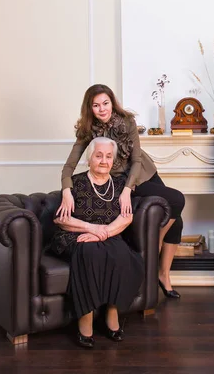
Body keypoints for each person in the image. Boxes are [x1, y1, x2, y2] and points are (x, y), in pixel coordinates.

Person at [57, 84, 184, 299]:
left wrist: (128, 190)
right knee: (177, 201)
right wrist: (67, 191)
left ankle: (163, 274)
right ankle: (151, 257)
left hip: (142, 172)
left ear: (112, 103)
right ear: (90, 108)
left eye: (105, 103)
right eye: (96, 105)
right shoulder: (87, 129)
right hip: (118, 179)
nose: (102, 109)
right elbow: (69, 166)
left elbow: (135, 160)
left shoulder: (127, 121)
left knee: (175, 213)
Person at [51, 137, 144, 348]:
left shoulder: (121, 185)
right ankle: (86, 317)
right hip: (77, 236)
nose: (104, 160)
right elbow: (61, 219)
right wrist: (93, 229)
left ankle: (112, 312)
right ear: (89, 158)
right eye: (99, 155)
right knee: (90, 252)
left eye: (108, 156)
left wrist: (105, 233)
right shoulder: (75, 183)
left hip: (109, 236)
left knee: (122, 254)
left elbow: (127, 217)